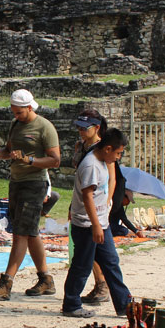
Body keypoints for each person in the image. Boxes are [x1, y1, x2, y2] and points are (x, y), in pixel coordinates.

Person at [0, 90, 61, 300]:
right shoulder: (15, 125)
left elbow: (55, 160)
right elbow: (9, 151)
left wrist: (30, 161)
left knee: (20, 233)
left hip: (35, 184)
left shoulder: (45, 127)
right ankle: (46, 279)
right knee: (30, 232)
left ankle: (6, 283)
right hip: (16, 182)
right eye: (14, 112)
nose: (16, 116)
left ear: (29, 107)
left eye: (19, 113)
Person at [61, 128, 133, 318]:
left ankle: (124, 304)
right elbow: (87, 196)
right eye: (117, 153)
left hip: (101, 223)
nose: (118, 158)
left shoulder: (102, 161)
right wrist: (95, 225)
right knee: (82, 265)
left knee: (111, 262)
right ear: (108, 148)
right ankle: (71, 304)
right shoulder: (91, 165)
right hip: (87, 224)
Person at [70, 108, 114, 305]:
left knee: (94, 250)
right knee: (88, 250)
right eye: (78, 127)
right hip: (83, 202)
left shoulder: (103, 147)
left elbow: (111, 179)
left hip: (98, 203)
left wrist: (104, 204)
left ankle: (102, 284)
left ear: (96, 128)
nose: (81, 131)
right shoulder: (82, 146)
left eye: (84, 128)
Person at [109, 165, 145, 239]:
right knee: (124, 231)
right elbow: (125, 220)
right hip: (108, 224)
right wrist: (136, 231)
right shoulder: (117, 203)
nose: (128, 203)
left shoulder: (119, 204)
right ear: (124, 197)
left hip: (111, 224)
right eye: (128, 200)